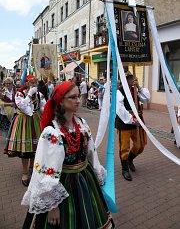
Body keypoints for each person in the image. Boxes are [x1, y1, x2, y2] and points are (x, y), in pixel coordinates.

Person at [21, 81, 115, 229]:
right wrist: (52, 206)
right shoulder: (52, 132)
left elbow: (91, 153)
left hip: (85, 179)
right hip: (63, 184)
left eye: (78, 96)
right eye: (72, 97)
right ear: (61, 102)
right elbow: (45, 170)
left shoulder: (82, 124)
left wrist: (98, 174)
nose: (78, 100)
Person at [4, 75, 46, 186]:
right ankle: (24, 172)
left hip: (36, 121)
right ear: (26, 83)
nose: (33, 84)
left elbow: (42, 107)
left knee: (35, 147)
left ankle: (32, 167)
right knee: (25, 149)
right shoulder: (19, 94)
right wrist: (29, 94)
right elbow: (22, 106)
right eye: (31, 82)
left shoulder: (39, 94)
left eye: (35, 82)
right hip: (23, 122)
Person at [115, 71, 150, 181]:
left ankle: (130, 159)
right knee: (124, 147)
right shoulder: (119, 91)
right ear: (124, 80)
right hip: (125, 122)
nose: (131, 80)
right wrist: (131, 120)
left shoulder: (136, 90)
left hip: (138, 122)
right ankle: (124, 169)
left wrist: (139, 87)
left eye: (132, 78)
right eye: (128, 78)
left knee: (140, 145)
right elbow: (119, 109)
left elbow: (146, 99)